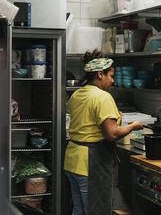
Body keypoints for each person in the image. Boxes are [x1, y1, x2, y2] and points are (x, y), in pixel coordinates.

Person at [64, 49, 143, 215]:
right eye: (111, 76)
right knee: (95, 211)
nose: (112, 81)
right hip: (90, 164)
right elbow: (112, 134)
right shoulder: (103, 97)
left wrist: (115, 117)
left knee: (79, 210)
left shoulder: (77, 94)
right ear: (100, 74)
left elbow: (89, 121)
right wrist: (132, 126)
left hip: (73, 160)